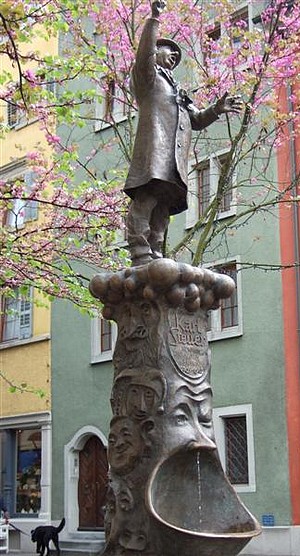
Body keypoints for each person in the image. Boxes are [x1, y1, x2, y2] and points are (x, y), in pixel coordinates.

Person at [124, 0, 243, 266]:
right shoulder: (148, 78)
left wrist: (216, 109)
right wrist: (154, 18)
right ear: (156, 52)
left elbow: (197, 120)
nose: (174, 57)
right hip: (154, 151)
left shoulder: (177, 91)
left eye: (177, 56)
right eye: (170, 52)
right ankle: (139, 249)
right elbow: (143, 54)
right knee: (146, 199)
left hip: (174, 159)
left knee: (163, 207)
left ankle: (155, 249)